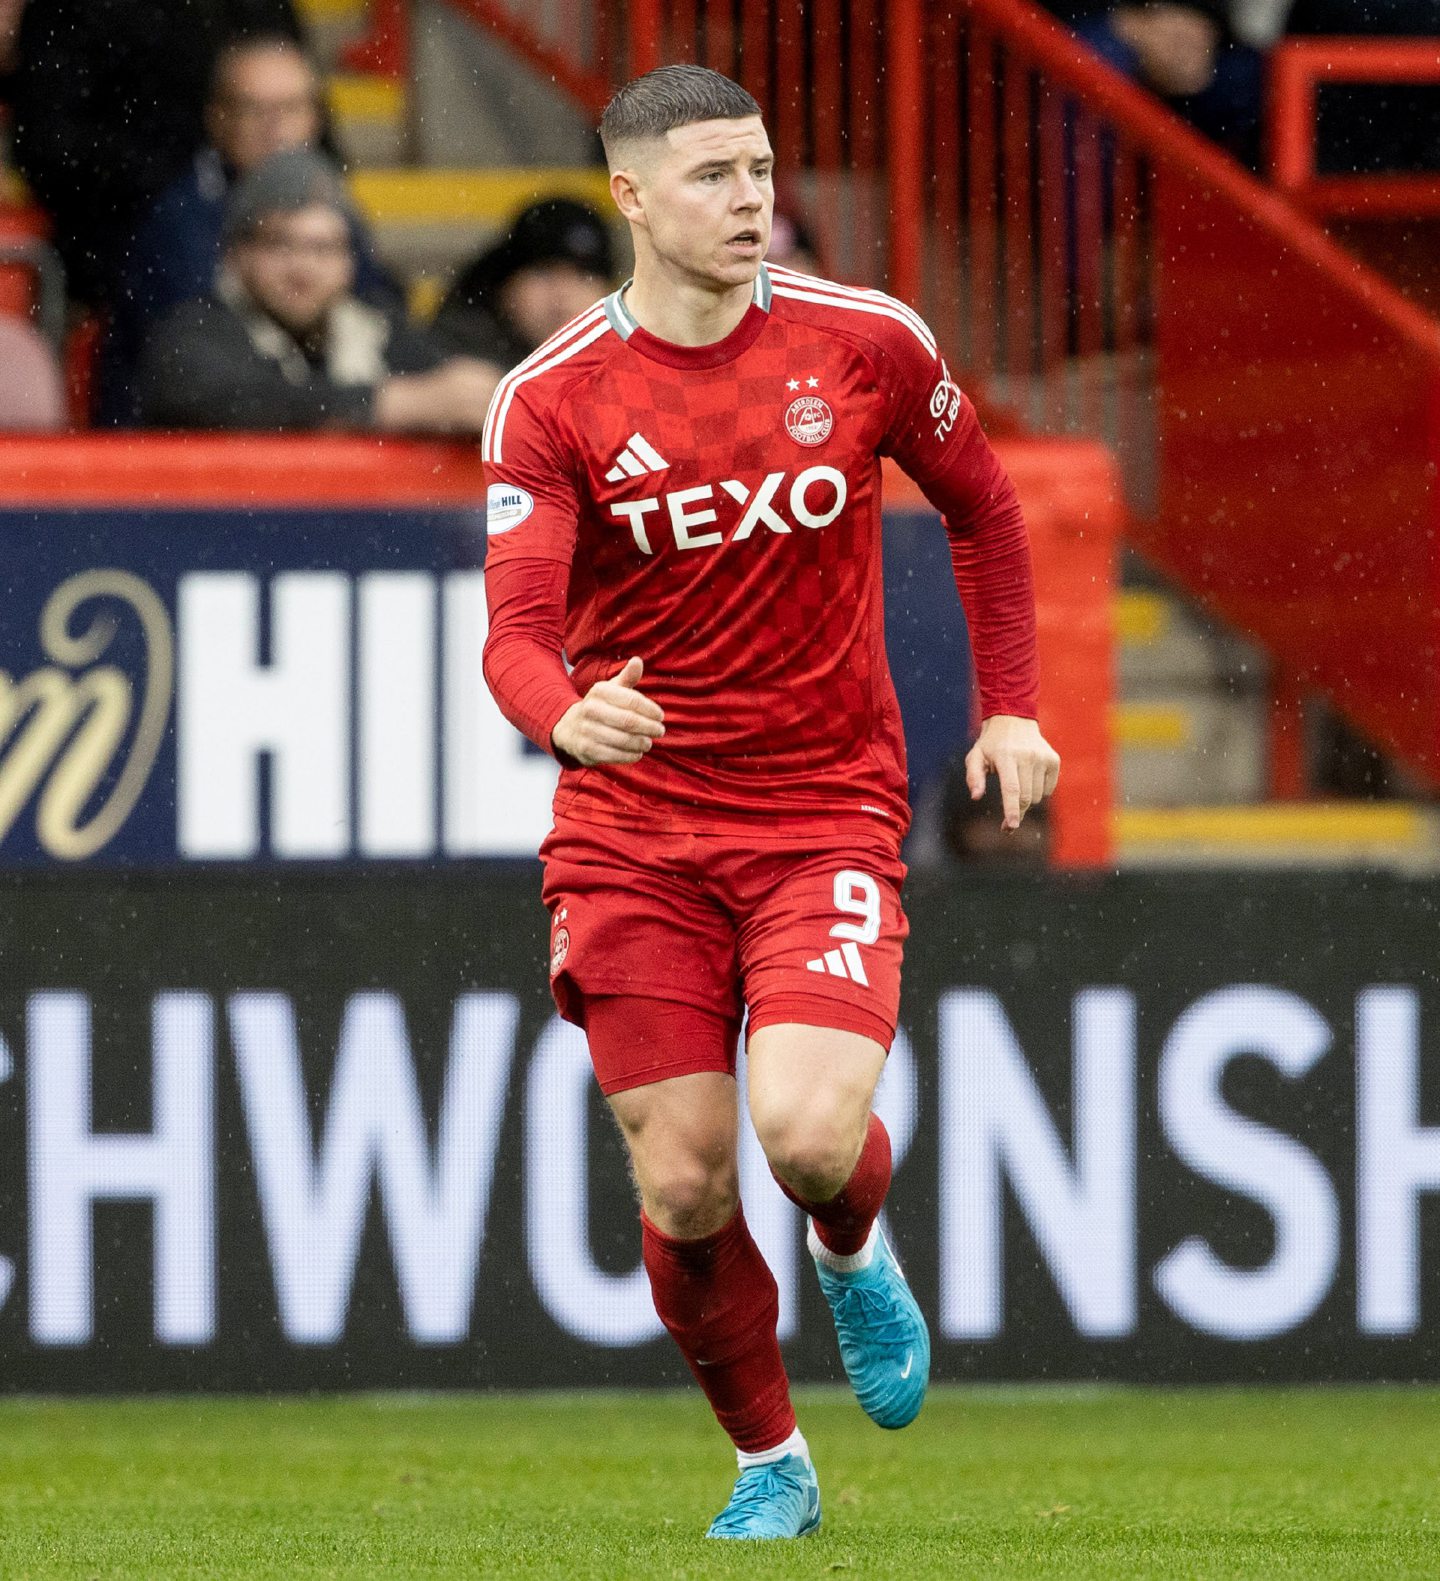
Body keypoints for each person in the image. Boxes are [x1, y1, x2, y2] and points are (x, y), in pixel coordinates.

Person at [481, 65, 1059, 1540]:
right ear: (630, 197)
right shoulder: (551, 397)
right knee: (681, 1181)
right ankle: (769, 1464)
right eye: (715, 178)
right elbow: (513, 637)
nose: (753, 201)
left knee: (804, 1137)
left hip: (822, 813)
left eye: (761, 171)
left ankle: (853, 1248)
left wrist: (1011, 705)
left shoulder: (863, 341)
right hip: (635, 836)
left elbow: (986, 507)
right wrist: (564, 711)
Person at [103, 31, 392, 421]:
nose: (275, 128)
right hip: (180, 461)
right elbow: (200, 379)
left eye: (290, 108)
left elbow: (380, 320)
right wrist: (377, 404)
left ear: (316, 118)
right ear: (217, 117)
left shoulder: (332, 205)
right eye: (255, 109)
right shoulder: (177, 221)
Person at [135, 148, 495, 434]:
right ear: (235, 255)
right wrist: (393, 403)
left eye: (324, 248)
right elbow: (235, 401)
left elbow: (458, 393)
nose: (303, 268)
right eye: (279, 245)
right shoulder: (190, 333)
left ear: (350, 263)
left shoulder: (376, 328)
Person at [10, 0, 305, 306]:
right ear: (216, 113)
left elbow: (308, 110)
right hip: (127, 246)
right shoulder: (72, 11)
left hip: (260, 216)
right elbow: (48, 145)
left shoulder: (262, 9)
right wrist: (172, 185)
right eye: (252, 108)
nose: (273, 122)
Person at [431, 197, 615, 374]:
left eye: (584, 276)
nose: (562, 294)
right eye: (544, 272)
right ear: (504, 283)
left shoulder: (629, 360)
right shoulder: (451, 361)